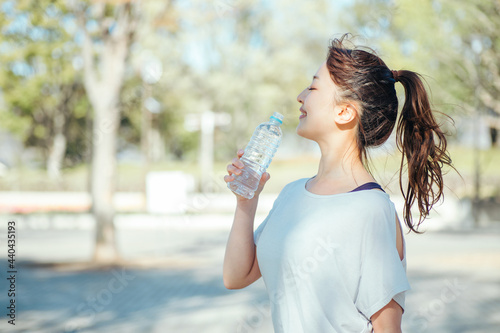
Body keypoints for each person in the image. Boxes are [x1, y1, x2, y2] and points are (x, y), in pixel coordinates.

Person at [222, 34, 453, 333]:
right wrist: (246, 201)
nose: (301, 96)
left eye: (314, 86)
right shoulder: (292, 193)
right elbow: (236, 277)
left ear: (344, 112)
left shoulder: (370, 209)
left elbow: (387, 329)